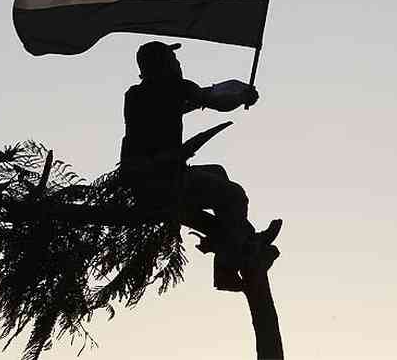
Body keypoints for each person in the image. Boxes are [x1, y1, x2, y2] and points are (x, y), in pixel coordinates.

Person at [119, 41, 281, 291]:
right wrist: (241, 97)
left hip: (143, 183)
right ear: (166, 65)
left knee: (217, 172)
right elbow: (214, 102)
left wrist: (230, 94)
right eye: (174, 61)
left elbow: (190, 102)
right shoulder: (177, 88)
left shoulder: (136, 95)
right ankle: (226, 268)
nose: (179, 64)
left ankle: (244, 237)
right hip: (166, 181)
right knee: (234, 195)